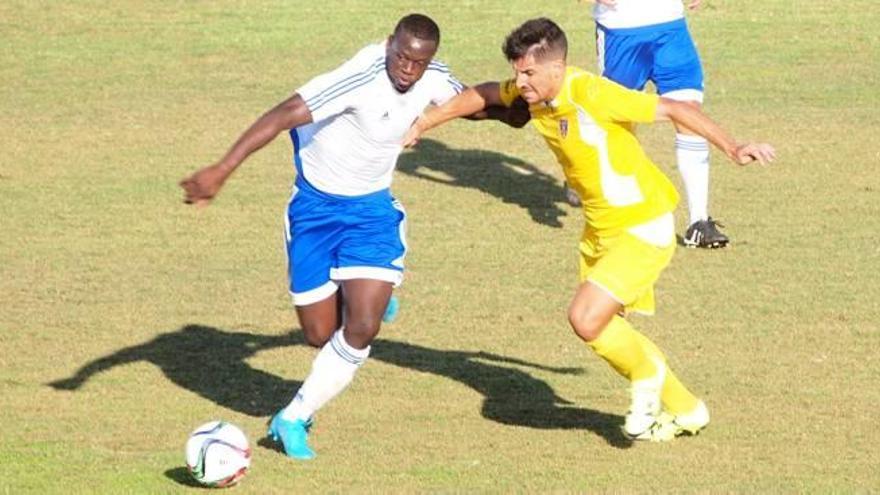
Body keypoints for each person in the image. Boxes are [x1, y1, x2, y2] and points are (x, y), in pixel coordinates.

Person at [403, 18, 775, 441]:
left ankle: (647, 380)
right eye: (517, 72)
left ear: (558, 68)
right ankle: (687, 409)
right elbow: (483, 94)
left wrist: (733, 147)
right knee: (603, 328)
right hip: (600, 232)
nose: (519, 83)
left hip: (642, 221)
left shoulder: (589, 92)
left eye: (528, 73)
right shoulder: (536, 94)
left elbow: (674, 108)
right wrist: (422, 124)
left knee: (585, 317)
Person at [180, 13, 527, 460]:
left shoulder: (431, 78)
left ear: (430, 61)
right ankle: (360, 296)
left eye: (417, 63)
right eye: (400, 57)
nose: (407, 69)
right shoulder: (356, 79)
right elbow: (283, 114)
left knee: (362, 328)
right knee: (319, 334)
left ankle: (292, 418)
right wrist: (221, 171)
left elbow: (474, 106)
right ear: (388, 44)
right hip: (313, 212)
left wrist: (519, 106)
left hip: (371, 211)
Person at [565, 0, 726, 248]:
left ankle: (699, 222)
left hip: (671, 27)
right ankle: (584, 174)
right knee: (616, 117)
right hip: (621, 30)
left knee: (689, 113)